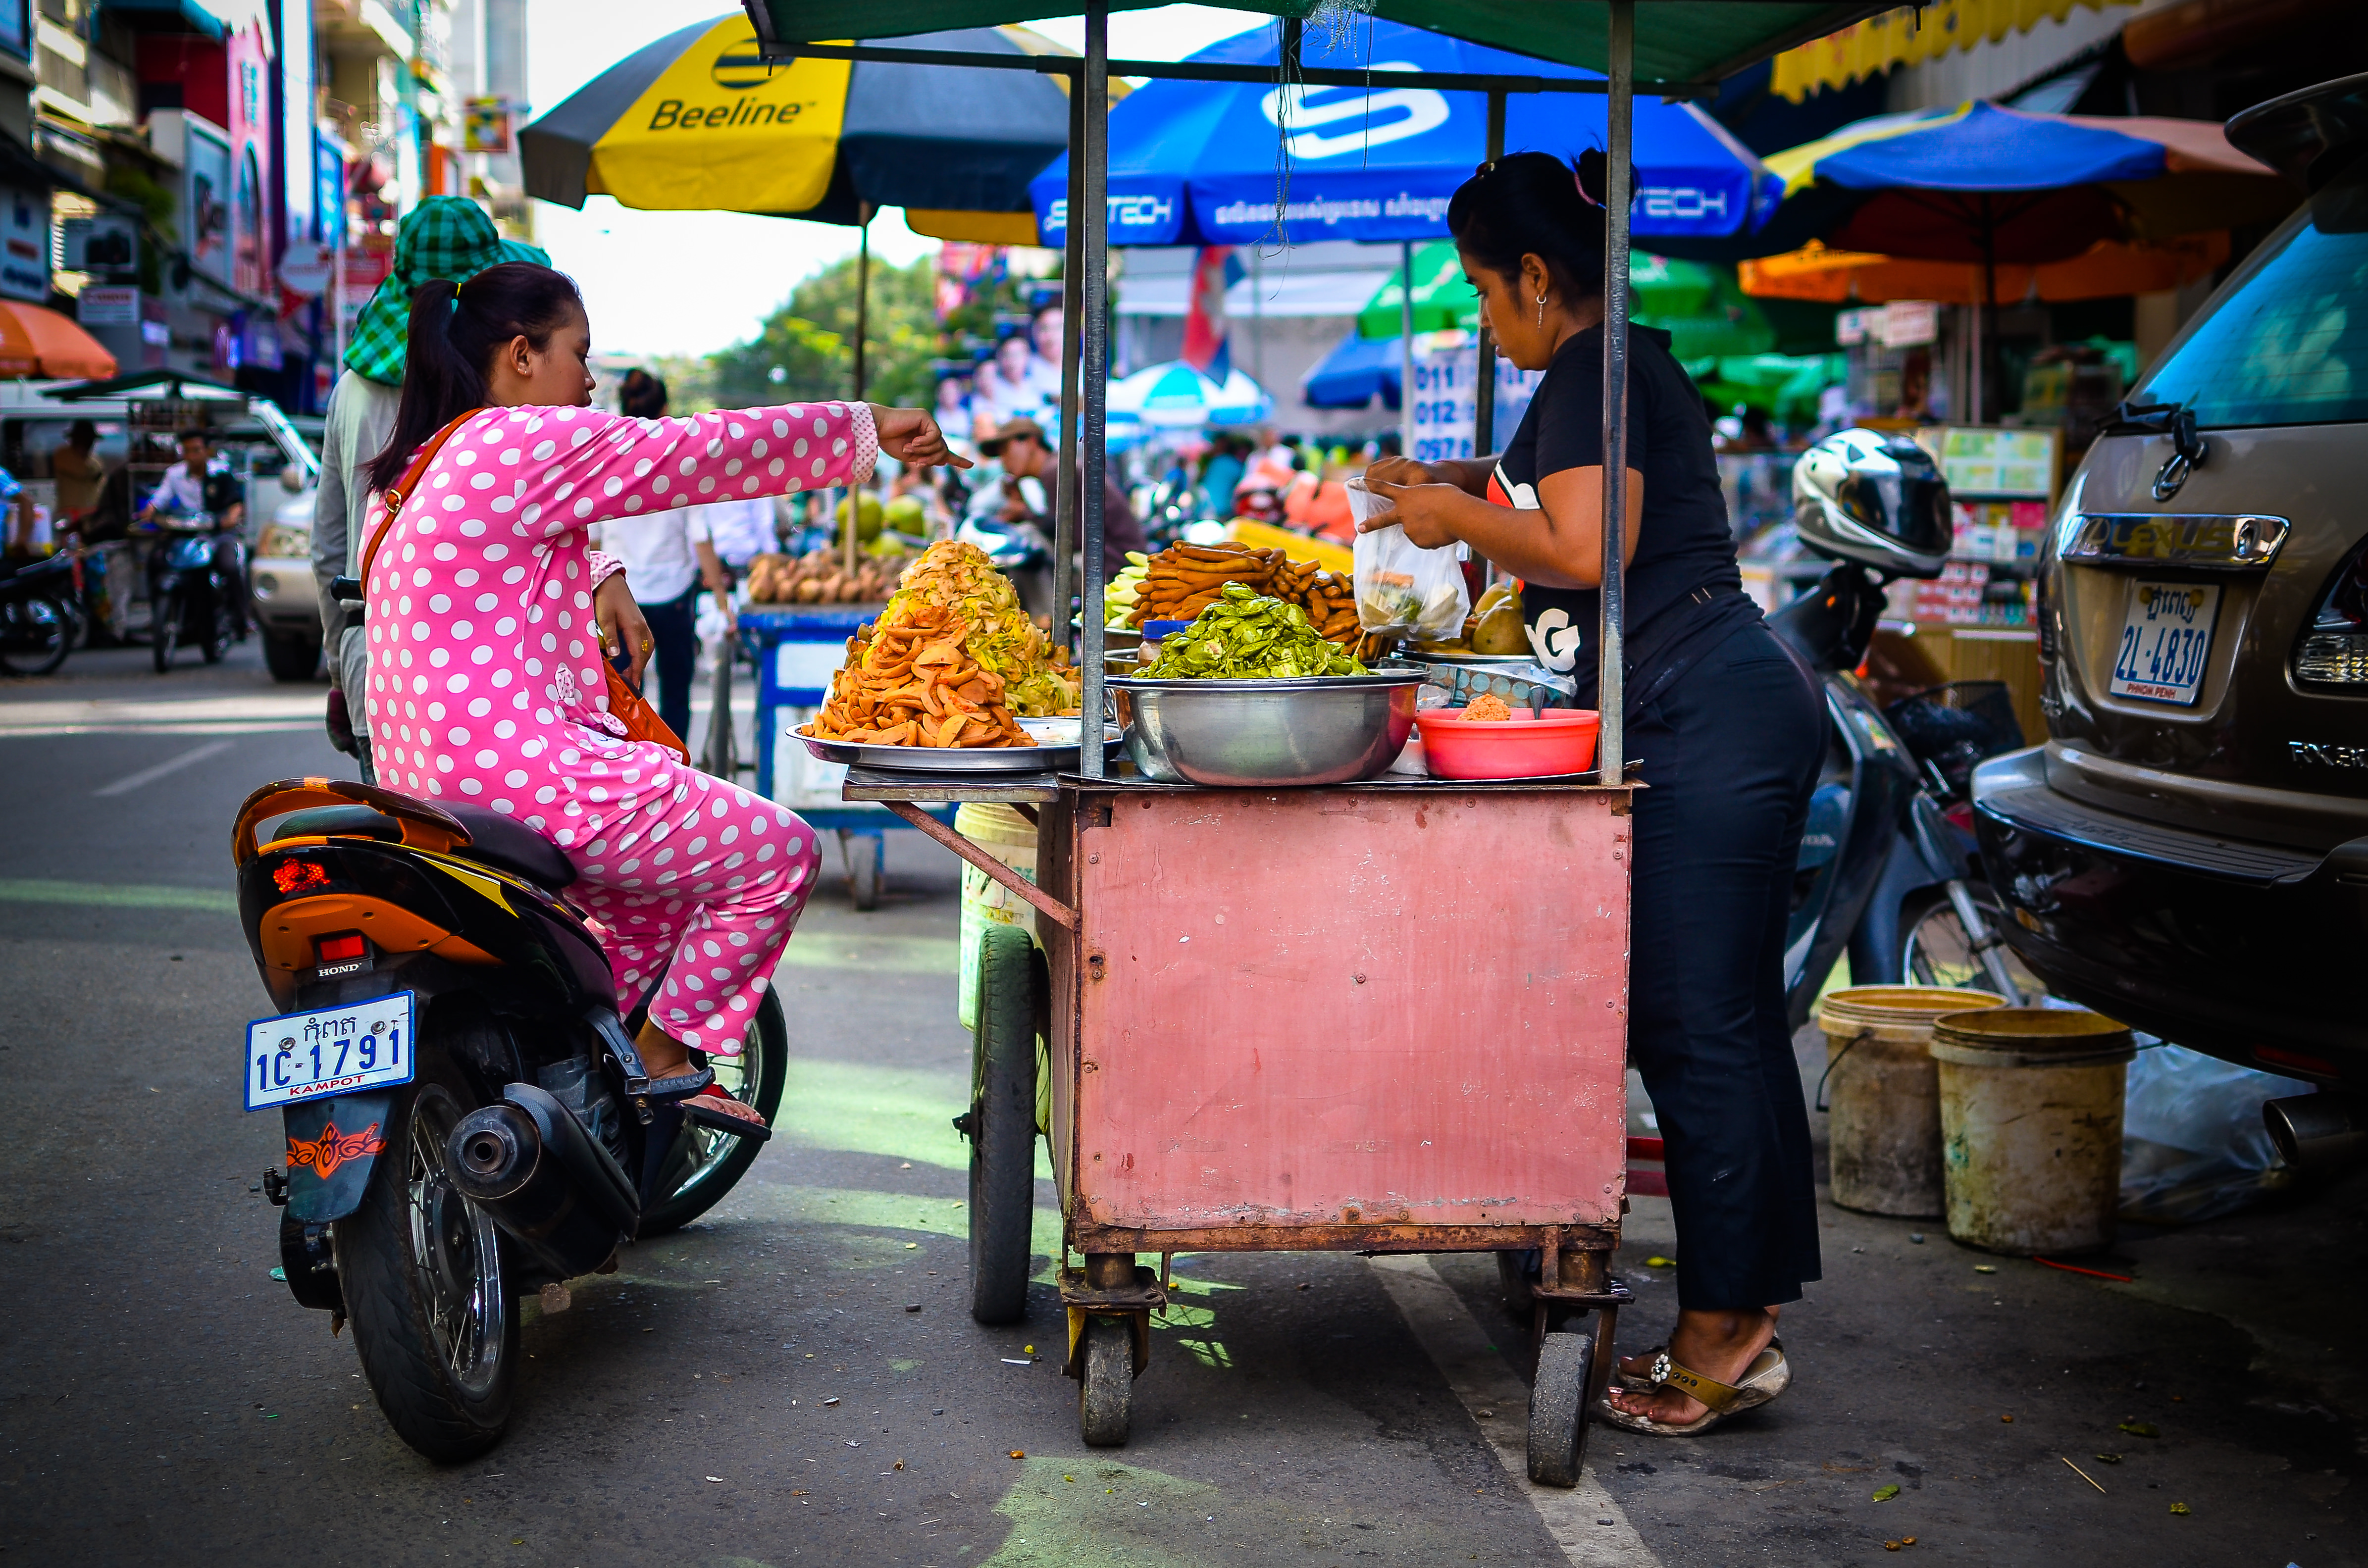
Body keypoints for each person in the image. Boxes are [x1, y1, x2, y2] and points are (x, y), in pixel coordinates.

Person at [1361, 150, 1823, 1437]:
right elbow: (1537, 498)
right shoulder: (1588, 374)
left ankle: (1729, 1328)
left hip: (1705, 712)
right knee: (1703, 1011)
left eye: (1479, 291)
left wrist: (1451, 524)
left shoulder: (1592, 367)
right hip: (1691, 706)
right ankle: (1728, 1295)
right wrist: (1446, 484)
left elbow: (1579, 544)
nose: (1477, 317)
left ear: (1529, 275)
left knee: (1697, 1019)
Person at [357, 261, 966, 1125]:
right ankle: (664, 1050)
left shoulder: (410, 473)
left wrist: (600, 574)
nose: (592, 378)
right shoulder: (520, 439)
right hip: (529, 786)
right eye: (580, 352)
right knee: (779, 852)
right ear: (523, 354)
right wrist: (862, 426)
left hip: (425, 791)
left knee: (633, 914)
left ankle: (573, 1087)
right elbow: (697, 450)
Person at [313, 196, 548, 782]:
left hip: (383, 675)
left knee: (405, 866)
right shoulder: (507, 389)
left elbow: (328, 550)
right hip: (502, 690)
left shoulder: (352, 393)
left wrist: (343, 672)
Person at [586, 371, 711, 742]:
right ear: (667, 409)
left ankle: (627, 775)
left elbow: (591, 540)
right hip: (673, 597)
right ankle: (678, 774)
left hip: (621, 598)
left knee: (623, 696)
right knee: (676, 693)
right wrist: (721, 596)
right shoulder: (683, 466)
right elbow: (700, 538)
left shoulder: (605, 465)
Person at [974, 415, 1146, 576]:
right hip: (1108, 559)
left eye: (1005, 450)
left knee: (1026, 557)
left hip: (1115, 563)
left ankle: (1046, 610)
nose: (1003, 460)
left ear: (1031, 443)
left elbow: (1071, 538)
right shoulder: (1055, 468)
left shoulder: (1055, 470)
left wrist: (1023, 513)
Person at [51, 419, 105, 520]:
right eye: (83, 439)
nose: (88, 443)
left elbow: (101, 485)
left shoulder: (96, 461)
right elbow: (83, 471)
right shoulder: (63, 455)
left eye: (90, 440)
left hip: (91, 515)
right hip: (69, 516)